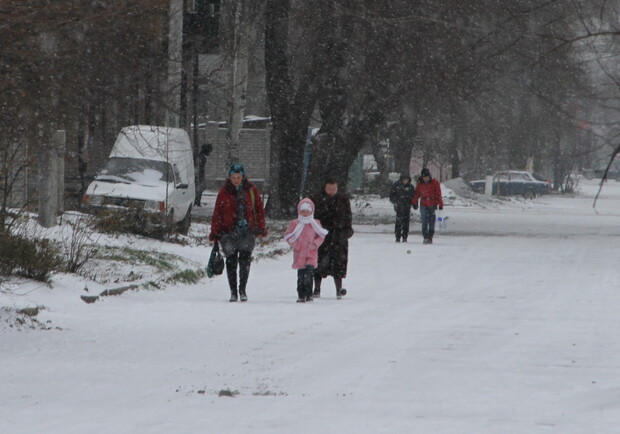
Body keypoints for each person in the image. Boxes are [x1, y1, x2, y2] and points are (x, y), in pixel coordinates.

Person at [209, 163, 267, 302]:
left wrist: (260, 227)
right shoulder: (224, 192)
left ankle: (242, 289)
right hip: (228, 232)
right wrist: (215, 233)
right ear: (229, 177)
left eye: (238, 177)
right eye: (233, 177)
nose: (236, 180)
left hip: (247, 231)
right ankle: (233, 291)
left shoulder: (251, 191)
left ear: (243, 177)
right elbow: (217, 213)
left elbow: (259, 210)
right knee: (231, 261)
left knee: (245, 261)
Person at [311, 177, 354, 299]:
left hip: (339, 235)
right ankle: (317, 288)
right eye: (329, 189)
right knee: (318, 261)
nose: (332, 191)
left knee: (339, 262)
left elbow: (348, 215)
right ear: (324, 188)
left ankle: (339, 289)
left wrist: (347, 229)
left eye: (334, 189)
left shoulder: (343, 199)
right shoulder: (316, 199)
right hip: (321, 234)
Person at [284, 198, 328, 303]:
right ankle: (301, 294)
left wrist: (314, 244)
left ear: (311, 211)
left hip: (311, 254)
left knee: (309, 275)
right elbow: (288, 236)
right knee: (300, 276)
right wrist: (296, 245)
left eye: (307, 212)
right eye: (303, 212)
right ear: (299, 211)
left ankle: (309, 294)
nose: (305, 214)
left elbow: (321, 236)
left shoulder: (315, 223)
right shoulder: (295, 223)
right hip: (299, 254)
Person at [411, 167, 443, 244]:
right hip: (424, 203)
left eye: (427, 177)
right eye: (424, 177)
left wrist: (440, 204)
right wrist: (414, 202)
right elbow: (417, 194)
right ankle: (425, 236)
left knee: (432, 221)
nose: (425, 179)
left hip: (432, 203)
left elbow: (438, 194)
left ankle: (430, 235)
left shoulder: (435, 183)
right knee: (424, 220)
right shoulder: (420, 184)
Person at [389, 173, 414, 242]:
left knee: (406, 223)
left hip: (407, 207)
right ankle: (397, 236)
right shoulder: (396, 186)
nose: (405, 181)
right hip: (399, 206)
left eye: (407, 180)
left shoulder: (410, 187)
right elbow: (391, 196)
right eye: (404, 180)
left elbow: (413, 196)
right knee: (399, 222)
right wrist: (396, 201)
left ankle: (405, 236)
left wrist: (412, 203)